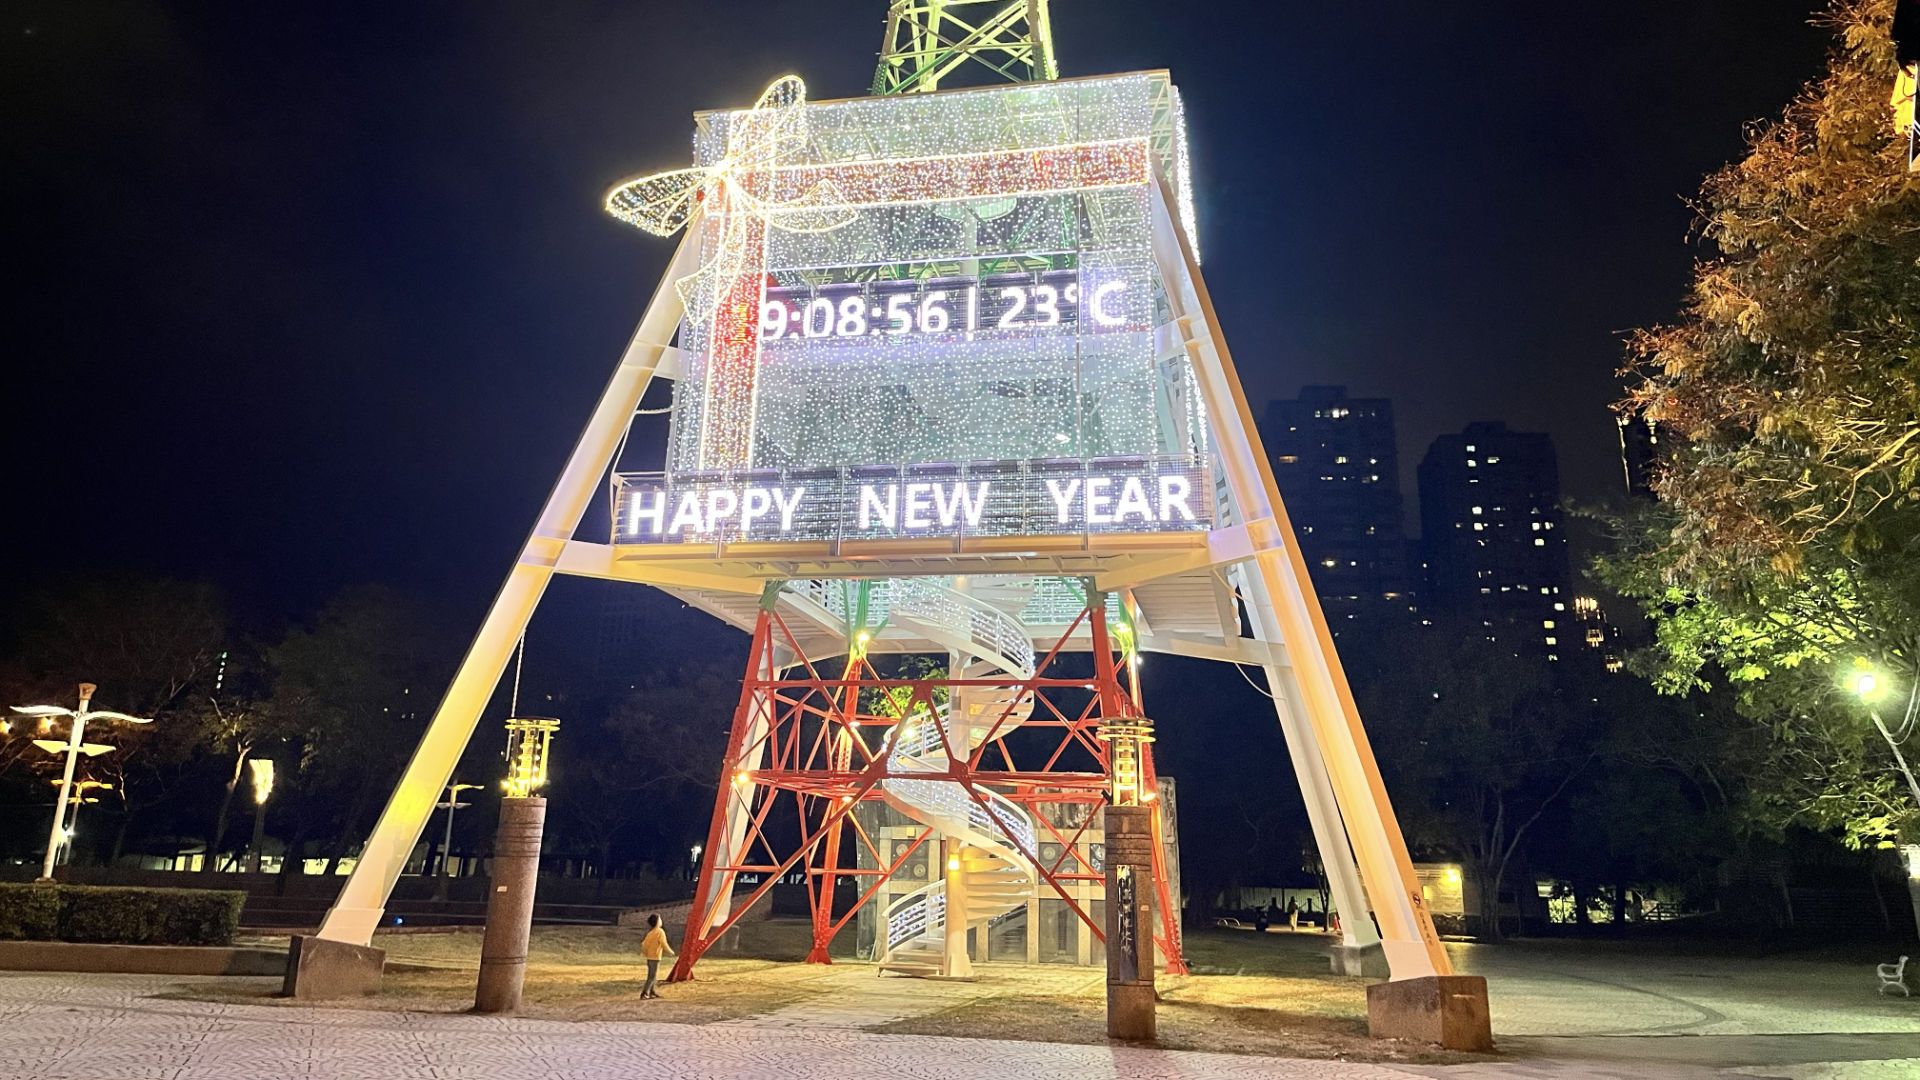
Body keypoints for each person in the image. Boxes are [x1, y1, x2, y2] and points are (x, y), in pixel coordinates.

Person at [640, 913, 675, 999]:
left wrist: (645, 953)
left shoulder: (650, 933)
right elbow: (664, 944)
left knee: (653, 976)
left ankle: (652, 992)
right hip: (655, 957)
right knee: (651, 977)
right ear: (657, 922)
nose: (661, 921)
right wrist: (671, 952)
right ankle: (644, 993)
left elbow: (644, 944)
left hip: (650, 957)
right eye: (660, 919)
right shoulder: (660, 931)